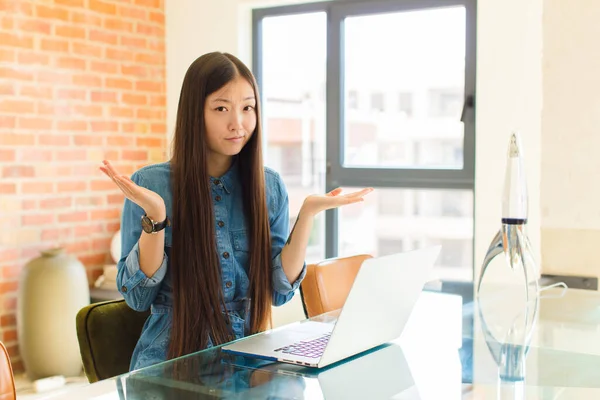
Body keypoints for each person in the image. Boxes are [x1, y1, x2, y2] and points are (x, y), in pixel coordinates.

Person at [100, 52, 373, 371]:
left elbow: (278, 293)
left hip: (251, 357)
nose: (238, 123)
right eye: (221, 108)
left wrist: (308, 214)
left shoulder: (268, 186)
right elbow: (137, 299)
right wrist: (156, 218)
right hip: (172, 362)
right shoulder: (150, 184)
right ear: (194, 113)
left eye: (248, 108)